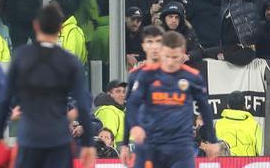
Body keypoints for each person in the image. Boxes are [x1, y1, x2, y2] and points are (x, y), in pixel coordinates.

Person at [0, 2, 97, 168]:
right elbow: (83, 104)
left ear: (36, 25)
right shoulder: (69, 61)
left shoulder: (21, 57)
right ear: (60, 27)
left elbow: (4, 98)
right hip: (59, 139)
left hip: (28, 137)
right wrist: (88, 144)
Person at [126, 31, 222, 168]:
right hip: (152, 145)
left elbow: (205, 108)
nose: (170, 62)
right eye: (167, 57)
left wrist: (212, 140)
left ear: (183, 53)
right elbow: (132, 104)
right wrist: (135, 126)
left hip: (181, 147)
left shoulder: (192, 77)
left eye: (175, 57)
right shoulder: (146, 75)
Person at [117, 24, 164, 165]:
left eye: (158, 42)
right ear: (143, 46)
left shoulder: (174, 73)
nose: (154, 47)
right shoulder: (135, 75)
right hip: (144, 143)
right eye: (150, 42)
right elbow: (130, 109)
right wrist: (125, 144)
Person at [214, 91, 263, 156]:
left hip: (224, 165)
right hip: (249, 165)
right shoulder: (254, 125)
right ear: (244, 106)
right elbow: (262, 152)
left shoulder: (217, 124)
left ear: (228, 106)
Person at [94, 79, 127, 146]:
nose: (122, 95)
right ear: (109, 94)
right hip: (114, 155)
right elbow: (106, 141)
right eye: (118, 91)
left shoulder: (121, 111)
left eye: (123, 92)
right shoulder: (108, 111)